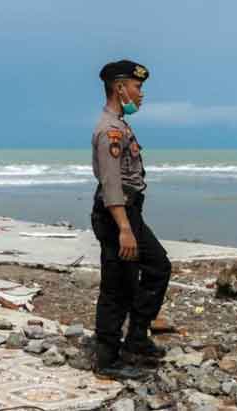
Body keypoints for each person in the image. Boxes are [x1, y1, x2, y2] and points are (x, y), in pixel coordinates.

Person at [90, 60, 172, 380]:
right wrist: (124, 228)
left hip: (129, 212)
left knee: (157, 266)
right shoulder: (109, 129)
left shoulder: (121, 125)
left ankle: (137, 338)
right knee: (118, 284)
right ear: (119, 88)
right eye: (137, 88)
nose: (141, 95)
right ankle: (107, 358)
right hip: (116, 215)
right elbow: (111, 184)